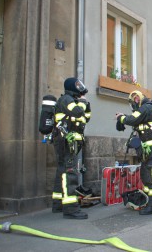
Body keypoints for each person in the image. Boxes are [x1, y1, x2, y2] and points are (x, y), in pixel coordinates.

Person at [115, 90, 152, 215]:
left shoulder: (145, 108)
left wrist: (121, 118)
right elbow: (138, 121)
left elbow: (133, 119)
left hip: (151, 149)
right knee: (146, 174)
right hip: (149, 149)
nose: (134, 105)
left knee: (151, 175)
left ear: (138, 99)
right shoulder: (149, 108)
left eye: (134, 101)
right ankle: (149, 199)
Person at [51, 77, 91, 219]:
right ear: (72, 87)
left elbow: (85, 118)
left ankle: (58, 204)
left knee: (62, 171)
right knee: (70, 172)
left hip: (67, 141)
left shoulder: (72, 101)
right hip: (66, 141)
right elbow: (77, 112)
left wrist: (86, 106)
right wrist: (82, 103)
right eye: (78, 85)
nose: (80, 87)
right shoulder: (67, 99)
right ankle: (71, 209)